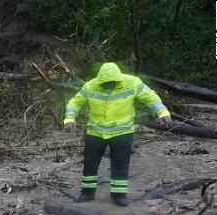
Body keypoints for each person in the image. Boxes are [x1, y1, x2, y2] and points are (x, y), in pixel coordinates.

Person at [63, 62, 172, 206]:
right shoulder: (90, 86)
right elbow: (74, 103)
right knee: (90, 162)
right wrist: (69, 119)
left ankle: (118, 195)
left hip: (122, 131)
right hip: (96, 131)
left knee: (120, 163)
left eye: (112, 83)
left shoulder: (132, 83)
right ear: (99, 80)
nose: (109, 85)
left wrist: (163, 113)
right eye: (105, 83)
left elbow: (151, 98)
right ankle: (87, 193)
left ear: (119, 79)